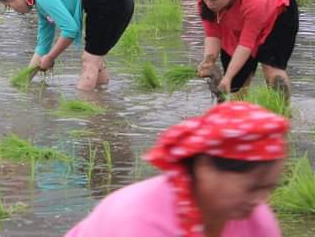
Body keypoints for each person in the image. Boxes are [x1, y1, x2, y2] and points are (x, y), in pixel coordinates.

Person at [65, 101, 289, 237]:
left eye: (266, 188)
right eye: (250, 188)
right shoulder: (141, 219)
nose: (259, 199)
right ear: (204, 167)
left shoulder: (256, 220)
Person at [0, 0, 134, 90]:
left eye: (9, 5)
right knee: (95, 59)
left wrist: (50, 58)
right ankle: (103, 101)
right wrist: (23, 81)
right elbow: (42, 47)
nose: (12, 10)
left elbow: (70, 30)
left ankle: (85, 110)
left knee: (89, 60)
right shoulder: (42, 5)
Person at [194, 0, 298, 98]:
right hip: (237, 20)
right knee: (236, 85)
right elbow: (213, 34)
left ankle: (282, 114)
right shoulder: (205, 2)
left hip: (278, 13)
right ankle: (240, 113)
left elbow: (246, 44)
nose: (209, 3)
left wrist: (227, 77)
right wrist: (209, 61)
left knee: (272, 69)